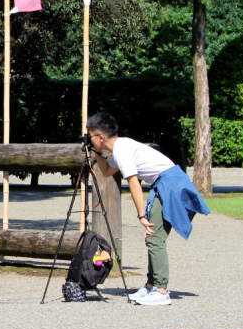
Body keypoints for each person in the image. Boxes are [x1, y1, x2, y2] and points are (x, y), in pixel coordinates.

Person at [86, 112, 210, 306]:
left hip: (170, 185)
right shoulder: (121, 146)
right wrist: (94, 151)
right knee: (154, 238)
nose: (88, 138)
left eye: (90, 135)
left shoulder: (121, 150)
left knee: (155, 238)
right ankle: (151, 286)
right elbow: (107, 171)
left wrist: (141, 215)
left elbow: (134, 184)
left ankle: (161, 290)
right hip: (168, 182)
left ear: (100, 137)